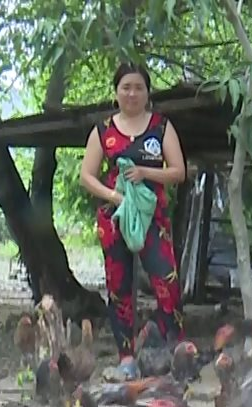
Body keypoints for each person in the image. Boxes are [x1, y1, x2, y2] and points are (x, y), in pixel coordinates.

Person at [80, 61, 188, 375]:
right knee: (119, 286)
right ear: (116, 92)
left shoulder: (161, 126)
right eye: (126, 87)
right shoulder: (103, 130)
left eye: (138, 87)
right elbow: (87, 176)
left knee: (167, 280)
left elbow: (178, 171)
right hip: (115, 217)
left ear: (147, 92)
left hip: (153, 216)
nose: (132, 93)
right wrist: (116, 197)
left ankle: (176, 350)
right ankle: (126, 357)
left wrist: (144, 173)